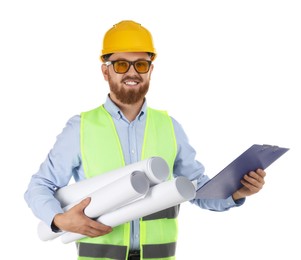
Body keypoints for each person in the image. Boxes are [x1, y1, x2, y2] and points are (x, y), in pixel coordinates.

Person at [24, 20, 266, 260]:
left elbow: (196, 189)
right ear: (105, 70)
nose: (132, 73)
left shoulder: (170, 127)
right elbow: (39, 186)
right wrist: (59, 219)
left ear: (151, 70)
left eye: (141, 64)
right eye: (121, 64)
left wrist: (235, 192)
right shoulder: (80, 128)